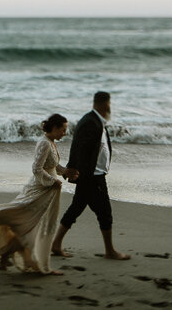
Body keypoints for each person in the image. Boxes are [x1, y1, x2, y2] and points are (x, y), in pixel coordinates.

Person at [0, 114, 75, 274]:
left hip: (48, 190)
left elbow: (52, 165)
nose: (65, 132)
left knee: (31, 227)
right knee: (28, 226)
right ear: (55, 128)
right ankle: (38, 264)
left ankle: (6, 259)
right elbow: (36, 168)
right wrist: (53, 181)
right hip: (39, 190)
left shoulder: (50, 142)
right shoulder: (44, 143)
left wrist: (64, 171)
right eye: (63, 129)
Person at [51, 91, 130, 260]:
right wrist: (73, 170)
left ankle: (56, 244)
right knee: (105, 213)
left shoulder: (97, 122)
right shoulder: (90, 122)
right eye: (109, 105)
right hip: (92, 177)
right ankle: (110, 251)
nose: (110, 108)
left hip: (93, 175)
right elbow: (79, 147)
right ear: (105, 105)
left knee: (76, 208)